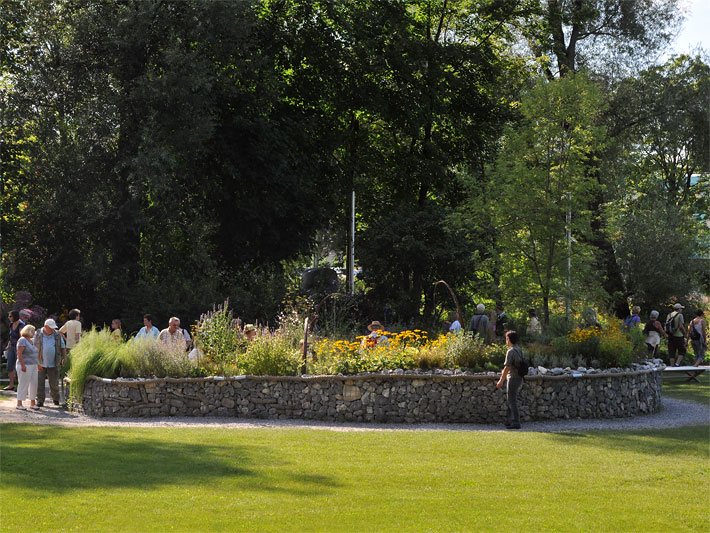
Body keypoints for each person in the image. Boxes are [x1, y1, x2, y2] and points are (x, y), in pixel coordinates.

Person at [495, 330, 524, 430]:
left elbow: (507, 367)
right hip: (519, 378)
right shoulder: (519, 349)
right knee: (511, 399)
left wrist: (501, 380)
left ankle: (516, 422)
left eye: (506, 339)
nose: (505, 341)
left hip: (513, 378)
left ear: (509, 339)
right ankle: (509, 420)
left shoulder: (510, 351)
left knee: (512, 399)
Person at [35, 318, 66, 407]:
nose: (53, 329)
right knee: (39, 383)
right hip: (40, 362)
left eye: (53, 328)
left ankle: (56, 399)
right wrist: (36, 362)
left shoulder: (57, 335)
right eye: (51, 328)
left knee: (54, 383)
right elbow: (34, 348)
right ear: (45, 327)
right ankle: (40, 401)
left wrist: (64, 358)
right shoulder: (38, 334)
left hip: (54, 363)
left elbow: (63, 347)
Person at [15, 324, 39, 410]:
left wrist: (38, 364)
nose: (34, 332)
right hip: (25, 365)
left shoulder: (31, 341)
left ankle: (32, 403)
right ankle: (19, 403)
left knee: (34, 384)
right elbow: (19, 353)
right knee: (23, 384)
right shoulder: (22, 340)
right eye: (33, 331)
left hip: (33, 365)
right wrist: (22, 365)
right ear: (28, 331)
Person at [3, 310, 26, 391]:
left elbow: (22, 337)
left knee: (19, 366)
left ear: (14, 316)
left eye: (10, 316)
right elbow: (11, 337)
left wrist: (20, 348)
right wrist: (8, 345)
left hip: (19, 348)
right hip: (11, 347)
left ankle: (20, 385)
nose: (9, 318)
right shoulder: (11, 324)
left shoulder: (21, 325)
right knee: (10, 366)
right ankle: (11, 385)